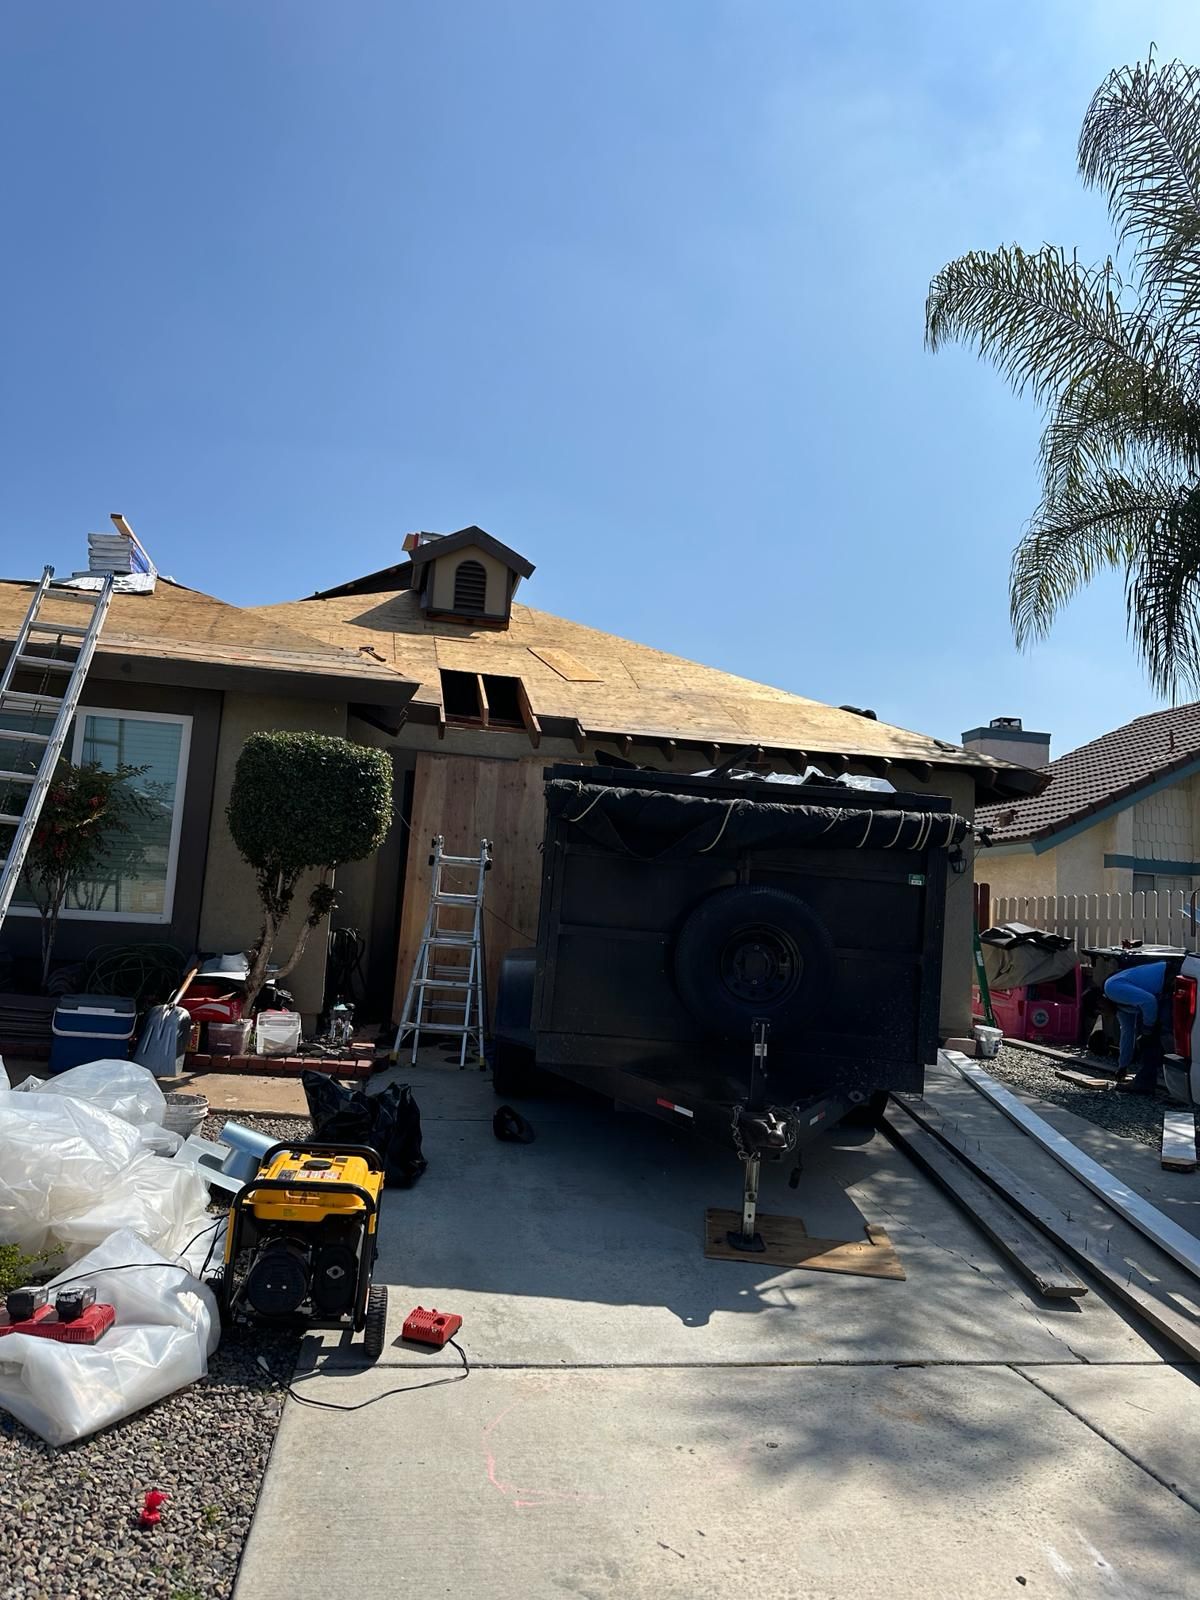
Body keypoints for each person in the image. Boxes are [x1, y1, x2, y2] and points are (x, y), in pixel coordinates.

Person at [1102, 961, 1167, 1095]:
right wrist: (1123, 1065)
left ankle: (1145, 1083)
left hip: (1169, 980)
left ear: (1099, 1002)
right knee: (1147, 1037)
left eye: (1101, 1011)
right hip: (1164, 986)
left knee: (1149, 1036)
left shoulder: (1112, 989)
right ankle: (1145, 1082)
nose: (1105, 1015)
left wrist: (1148, 1027)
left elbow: (1149, 1001)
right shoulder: (1120, 1006)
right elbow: (1127, 1032)